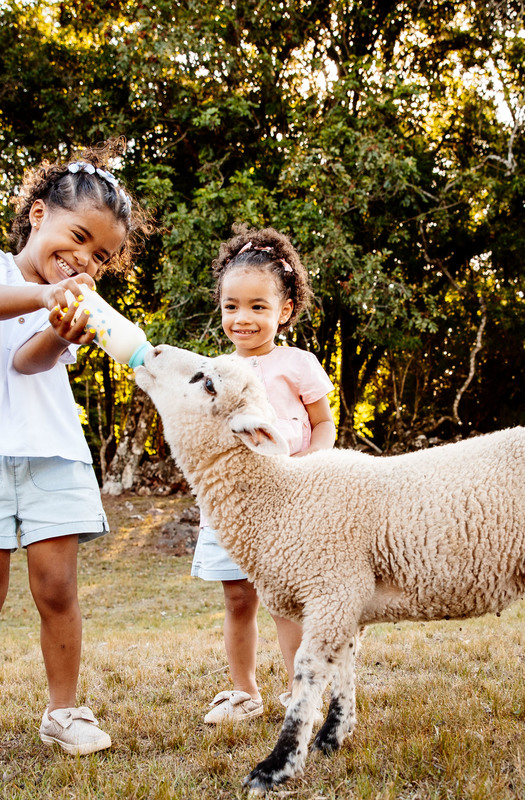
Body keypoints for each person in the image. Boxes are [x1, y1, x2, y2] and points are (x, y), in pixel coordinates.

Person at [0, 140, 150, 769]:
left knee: (57, 588)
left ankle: (63, 713)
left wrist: (61, 330)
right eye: (77, 236)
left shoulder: (73, 305)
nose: (83, 259)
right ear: (37, 216)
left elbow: (27, 362)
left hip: (52, 453)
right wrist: (48, 300)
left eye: (99, 257)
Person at [192, 225, 336, 724]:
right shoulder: (215, 371)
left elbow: (323, 425)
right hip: (231, 508)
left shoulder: (297, 364)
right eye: (232, 306)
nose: (243, 318)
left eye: (257, 306)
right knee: (237, 599)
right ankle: (243, 691)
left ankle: (304, 693)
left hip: (287, 504)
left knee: (287, 603)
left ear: (284, 310)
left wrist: (308, 468)